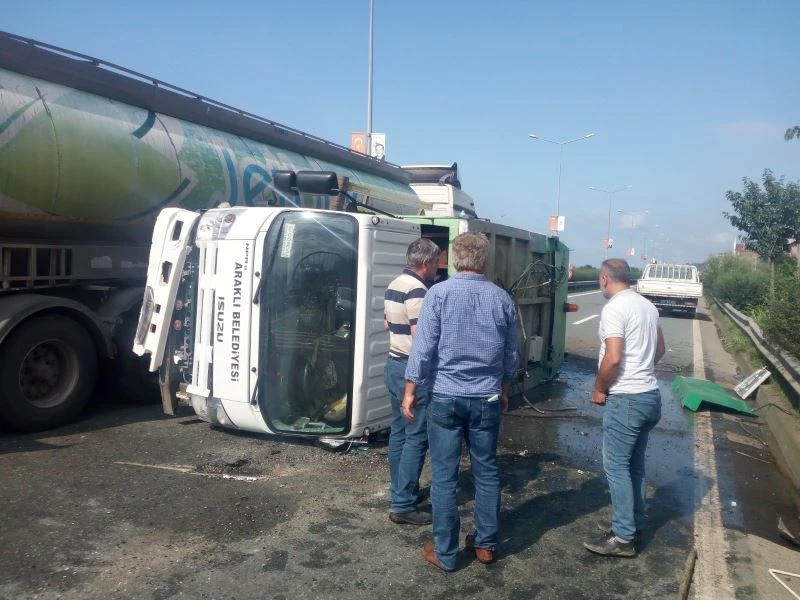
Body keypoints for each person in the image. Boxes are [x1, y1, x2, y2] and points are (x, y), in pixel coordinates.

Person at [403, 232, 518, 572]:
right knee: (486, 470)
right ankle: (485, 543)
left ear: (453, 259)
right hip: (486, 396)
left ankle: (446, 552)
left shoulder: (438, 294)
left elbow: (423, 349)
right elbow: (511, 353)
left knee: (444, 475)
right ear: (484, 261)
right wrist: (506, 387)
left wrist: (410, 390)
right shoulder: (502, 299)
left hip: (447, 396)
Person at [583, 258, 665, 558]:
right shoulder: (647, 306)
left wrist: (600, 388)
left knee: (616, 468)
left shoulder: (615, 308)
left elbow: (614, 358)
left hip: (627, 399)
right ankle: (632, 525)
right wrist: (642, 370)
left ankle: (622, 538)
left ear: (605, 279)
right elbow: (660, 350)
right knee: (635, 466)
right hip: (650, 395)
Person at [384, 237, 441, 525]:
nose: (438, 268)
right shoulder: (419, 290)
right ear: (426, 263)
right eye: (437, 262)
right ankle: (403, 504)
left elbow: (387, 323)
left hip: (393, 363)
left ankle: (399, 491)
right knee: (417, 437)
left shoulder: (395, 284)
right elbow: (421, 338)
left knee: (399, 433)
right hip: (411, 370)